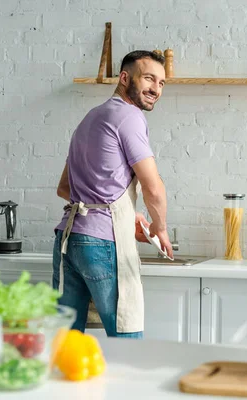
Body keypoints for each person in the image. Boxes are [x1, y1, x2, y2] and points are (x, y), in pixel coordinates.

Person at [53, 50, 173, 339]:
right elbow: (153, 187)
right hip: (103, 244)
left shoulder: (91, 118)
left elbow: (65, 188)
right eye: (148, 79)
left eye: (161, 83)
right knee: (126, 338)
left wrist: (126, 215)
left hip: (69, 241)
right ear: (124, 78)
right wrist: (160, 229)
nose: (156, 89)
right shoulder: (129, 117)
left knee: (64, 341)